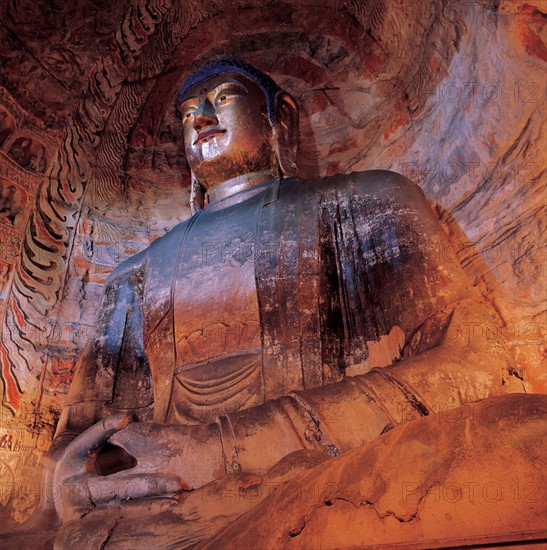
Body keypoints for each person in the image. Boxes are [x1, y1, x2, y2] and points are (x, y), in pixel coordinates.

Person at [47, 56, 518, 536]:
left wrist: (222, 449)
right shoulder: (134, 275)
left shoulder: (367, 201)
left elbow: (480, 361)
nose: (202, 119)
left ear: (281, 118)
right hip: (154, 516)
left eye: (223, 99)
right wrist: (69, 480)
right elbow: (72, 447)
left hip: (315, 482)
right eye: (189, 114)